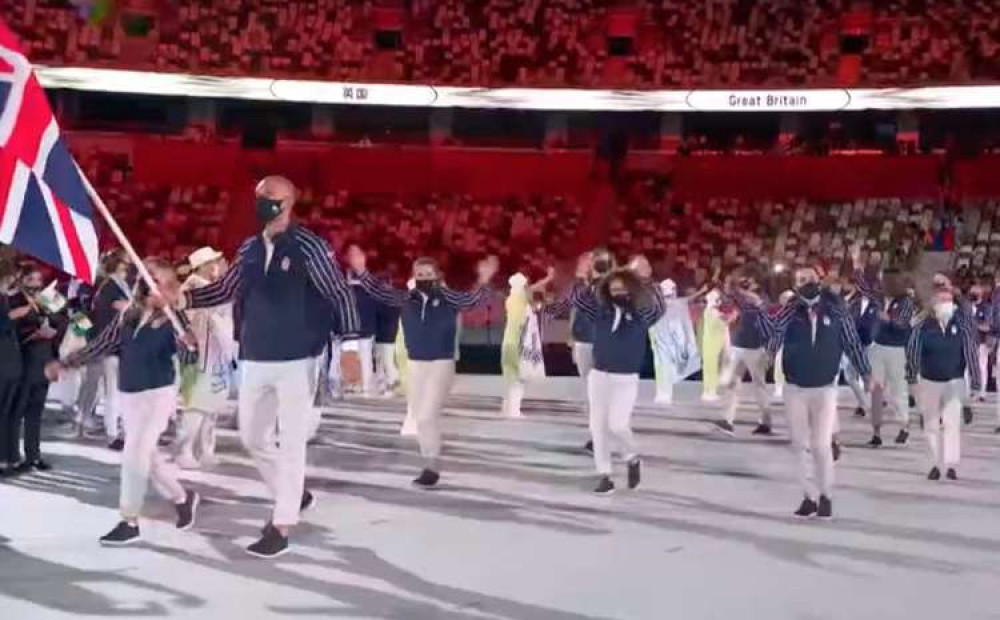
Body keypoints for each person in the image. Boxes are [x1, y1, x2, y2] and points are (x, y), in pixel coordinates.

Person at [166, 175, 359, 558]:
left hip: (298, 356)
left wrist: (351, 344)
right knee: (253, 436)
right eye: (257, 196)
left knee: (291, 441)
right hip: (255, 354)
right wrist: (183, 300)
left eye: (268, 196)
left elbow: (337, 291)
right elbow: (225, 290)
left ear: (288, 200)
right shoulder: (250, 249)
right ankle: (296, 493)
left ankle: (281, 523)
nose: (261, 201)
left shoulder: (309, 247)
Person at [46, 257, 200, 545]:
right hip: (130, 394)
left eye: (163, 283)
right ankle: (182, 496)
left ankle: (129, 520)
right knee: (147, 458)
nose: (156, 288)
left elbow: (190, 357)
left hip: (158, 393)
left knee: (134, 452)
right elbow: (102, 344)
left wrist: (188, 341)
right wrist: (65, 363)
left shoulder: (175, 319)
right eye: (151, 281)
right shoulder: (129, 315)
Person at [350, 249, 497, 488]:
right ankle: (429, 462)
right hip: (415, 364)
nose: (423, 278)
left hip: (440, 363)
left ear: (437, 275)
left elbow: (471, 301)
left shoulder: (448, 297)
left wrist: (484, 280)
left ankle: (431, 466)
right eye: (419, 274)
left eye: (428, 274)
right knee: (421, 418)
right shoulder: (408, 298)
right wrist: (361, 271)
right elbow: (381, 292)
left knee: (428, 416)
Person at [768, 267, 871, 519]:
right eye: (800, 280)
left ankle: (826, 495)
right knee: (799, 445)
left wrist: (866, 372)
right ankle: (808, 496)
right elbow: (775, 333)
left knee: (820, 445)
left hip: (824, 387)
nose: (805, 284)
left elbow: (850, 341)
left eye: (809, 279)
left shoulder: (835, 309)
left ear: (818, 281)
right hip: (795, 388)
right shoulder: (791, 309)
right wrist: (769, 353)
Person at [568, 257, 665, 494]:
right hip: (599, 376)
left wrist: (647, 279)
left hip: (626, 379)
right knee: (598, 427)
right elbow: (576, 299)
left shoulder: (641, 315)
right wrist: (582, 276)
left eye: (623, 287)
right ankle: (605, 475)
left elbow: (661, 307)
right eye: (613, 288)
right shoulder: (600, 311)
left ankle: (632, 456)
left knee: (618, 424)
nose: (618, 291)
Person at [906, 286, 980, 481]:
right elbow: (913, 349)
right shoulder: (923, 325)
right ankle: (933, 464)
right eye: (942, 300)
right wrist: (912, 376)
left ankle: (951, 464)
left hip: (954, 381)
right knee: (930, 424)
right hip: (930, 380)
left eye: (949, 300)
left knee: (952, 424)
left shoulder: (961, 324)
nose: (946, 304)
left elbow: (970, 352)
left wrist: (975, 381)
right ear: (934, 303)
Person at [176, 247, 235, 469]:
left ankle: (206, 450)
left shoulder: (214, 287)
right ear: (204, 265)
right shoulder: (192, 288)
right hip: (200, 356)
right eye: (214, 262)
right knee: (196, 406)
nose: (218, 265)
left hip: (218, 355)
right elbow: (185, 323)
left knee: (211, 408)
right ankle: (185, 450)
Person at [853, 248, 915, 447]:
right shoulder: (879, 296)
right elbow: (863, 288)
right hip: (877, 348)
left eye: (884, 280)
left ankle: (904, 425)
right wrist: (857, 266)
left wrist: (889, 319)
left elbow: (903, 323)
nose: (880, 283)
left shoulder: (906, 301)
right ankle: (876, 432)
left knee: (898, 390)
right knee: (875, 390)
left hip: (896, 350)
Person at [6, 265, 64, 473]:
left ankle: (33, 455)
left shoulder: (49, 298)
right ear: (22, 280)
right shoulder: (14, 300)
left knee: (36, 412)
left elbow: (66, 320)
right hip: (24, 360)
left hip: (45, 360)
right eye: (32, 280)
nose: (36, 284)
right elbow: (10, 330)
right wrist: (33, 332)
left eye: (39, 280)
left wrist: (54, 324)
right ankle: (11, 456)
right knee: (17, 411)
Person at [76, 250, 132, 450]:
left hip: (111, 343)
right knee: (110, 390)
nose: (130, 264)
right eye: (126, 261)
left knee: (99, 386)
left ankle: (85, 421)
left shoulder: (119, 284)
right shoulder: (109, 287)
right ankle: (111, 433)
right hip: (107, 344)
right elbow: (98, 313)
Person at [715, 269, 773, 436]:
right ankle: (727, 420)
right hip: (737, 346)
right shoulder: (739, 298)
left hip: (755, 348)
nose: (744, 282)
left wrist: (737, 290)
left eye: (747, 280)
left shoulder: (759, 296)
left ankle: (765, 421)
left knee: (759, 386)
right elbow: (728, 303)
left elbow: (756, 304)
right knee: (731, 384)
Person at [343, 245, 378, 397]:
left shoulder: (371, 277)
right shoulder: (343, 275)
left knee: (365, 355)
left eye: (358, 254)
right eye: (351, 255)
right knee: (348, 354)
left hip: (366, 324)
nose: (355, 258)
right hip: (347, 325)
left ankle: (367, 386)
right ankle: (351, 383)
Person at [0, 258, 23, 477]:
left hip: (11, 363)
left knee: (7, 412)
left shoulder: (6, 299)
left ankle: (7, 457)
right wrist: (11, 316)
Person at [842, 276, 877, 417]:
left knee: (866, 375)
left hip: (870, 343)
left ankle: (865, 404)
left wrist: (857, 268)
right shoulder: (854, 303)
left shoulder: (876, 303)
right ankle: (864, 402)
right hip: (856, 344)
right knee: (850, 375)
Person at [373, 275, 401, 397]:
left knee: (384, 359)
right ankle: (384, 383)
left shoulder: (383, 300)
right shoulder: (395, 299)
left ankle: (391, 380)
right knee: (383, 359)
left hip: (384, 335)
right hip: (388, 334)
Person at [700, 287, 728, 401]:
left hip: (710, 344)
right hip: (712, 344)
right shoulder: (713, 312)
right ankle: (710, 391)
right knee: (711, 369)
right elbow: (724, 322)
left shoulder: (709, 311)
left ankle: (708, 391)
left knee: (709, 368)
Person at [967, 284, 993, 403]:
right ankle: (968, 391)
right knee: (967, 368)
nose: (972, 295)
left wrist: (975, 324)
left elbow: (987, 326)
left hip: (982, 342)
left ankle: (982, 393)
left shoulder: (986, 308)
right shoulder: (966, 307)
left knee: (981, 367)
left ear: (981, 294)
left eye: (975, 293)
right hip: (968, 342)